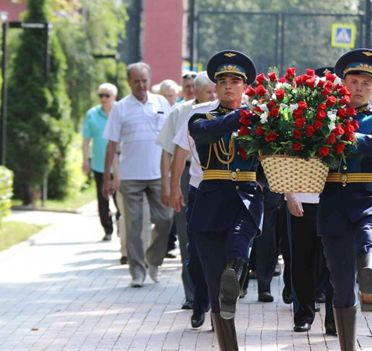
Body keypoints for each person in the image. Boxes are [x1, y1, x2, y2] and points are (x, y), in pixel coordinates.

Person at [171, 50, 260, 350]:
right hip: (209, 202)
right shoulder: (199, 118)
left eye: (236, 81)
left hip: (245, 199)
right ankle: (228, 344)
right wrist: (247, 113)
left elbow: (278, 156)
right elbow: (207, 134)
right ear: (216, 86)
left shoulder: (259, 120)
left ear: (245, 86)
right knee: (216, 291)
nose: (229, 86)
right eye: (222, 81)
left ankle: (234, 272)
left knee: (237, 249)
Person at [318, 48, 372, 350]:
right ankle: (346, 345)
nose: (359, 88)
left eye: (366, 83)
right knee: (340, 285)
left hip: (369, 196)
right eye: (353, 81)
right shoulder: (321, 118)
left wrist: (354, 138)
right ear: (342, 83)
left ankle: (369, 273)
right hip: (333, 200)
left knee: (370, 237)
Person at [102, 62, 174, 288]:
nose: (141, 85)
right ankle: (137, 271)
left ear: (150, 79)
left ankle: (153, 260)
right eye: (136, 81)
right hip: (130, 176)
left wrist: (172, 174)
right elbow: (112, 145)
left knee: (165, 219)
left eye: (144, 80)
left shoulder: (161, 102)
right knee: (133, 225)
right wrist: (108, 178)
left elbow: (173, 138)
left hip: (158, 175)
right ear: (129, 82)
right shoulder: (120, 108)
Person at [157, 72, 216, 325]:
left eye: (215, 91)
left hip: (220, 183)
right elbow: (170, 152)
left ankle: (216, 302)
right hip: (189, 178)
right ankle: (193, 296)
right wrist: (170, 186)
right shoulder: (184, 113)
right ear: (195, 93)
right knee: (189, 241)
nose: (213, 96)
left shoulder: (230, 111)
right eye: (209, 92)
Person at [82, 83, 120, 241]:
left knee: (121, 200)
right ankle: (108, 229)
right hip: (99, 165)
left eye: (107, 95)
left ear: (114, 97)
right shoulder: (92, 114)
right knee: (103, 200)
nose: (103, 98)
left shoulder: (121, 111)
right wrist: (85, 160)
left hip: (120, 166)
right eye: (101, 95)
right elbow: (85, 140)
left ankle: (121, 223)